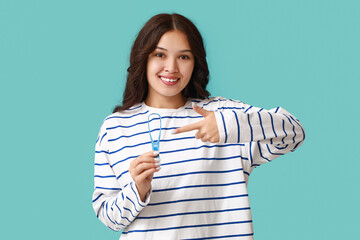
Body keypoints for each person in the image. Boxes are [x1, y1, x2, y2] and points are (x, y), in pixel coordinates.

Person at [92, 13, 305, 240]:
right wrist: (137, 190)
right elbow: (109, 218)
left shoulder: (223, 114)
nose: (171, 67)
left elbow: (293, 132)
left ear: (196, 63)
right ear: (143, 59)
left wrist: (226, 126)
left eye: (184, 57)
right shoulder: (116, 127)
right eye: (160, 54)